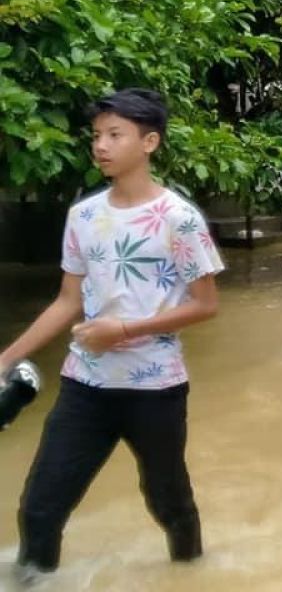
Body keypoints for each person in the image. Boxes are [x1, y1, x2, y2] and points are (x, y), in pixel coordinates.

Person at [0, 89, 223, 579]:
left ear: (149, 142)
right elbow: (68, 301)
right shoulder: (83, 216)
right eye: (97, 135)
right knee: (40, 507)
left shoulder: (179, 219)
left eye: (114, 135)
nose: (100, 145)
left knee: (169, 504)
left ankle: (193, 576)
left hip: (156, 390)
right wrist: (5, 357)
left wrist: (124, 328)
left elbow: (206, 305)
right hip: (85, 385)